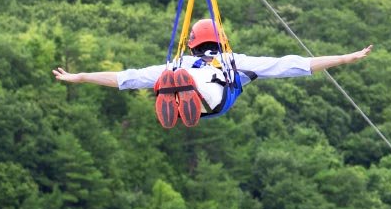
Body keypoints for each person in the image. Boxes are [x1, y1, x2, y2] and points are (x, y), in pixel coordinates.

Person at [52, 19, 373, 128]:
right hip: (214, 99)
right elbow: (294, 65)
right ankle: (186, 93)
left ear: (193, 45)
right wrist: (347, 58)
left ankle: (177, 97)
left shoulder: (179, 63)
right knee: (200, 80)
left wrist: (78, 77)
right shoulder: (235, 61)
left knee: (165, 76)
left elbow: (125, 78)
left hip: (186, 87)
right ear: (219, 41)